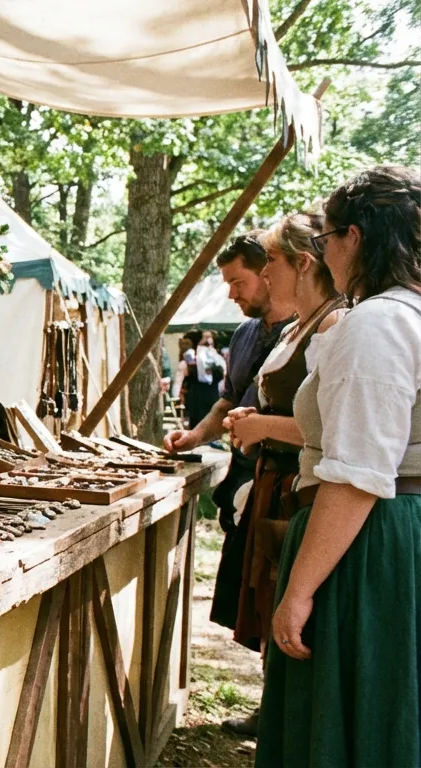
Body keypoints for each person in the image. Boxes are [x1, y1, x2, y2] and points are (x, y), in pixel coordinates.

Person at [257, 166, 421, 766]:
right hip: (391, 535)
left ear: (355, 237)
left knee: (360, 719)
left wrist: (299, 590)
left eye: (326, 238)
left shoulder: (379, 323)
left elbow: (358, 473)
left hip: (370, 545)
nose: (323, 252)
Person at [215, 212, 347, 735]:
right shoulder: (300, 325)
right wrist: (254, 420)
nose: (264, 274)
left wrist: (265, 423)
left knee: (295, 607)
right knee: (272, 600)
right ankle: (279, 712)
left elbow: (335, 426)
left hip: (304, 488)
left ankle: (296, 722)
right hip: (275, 480)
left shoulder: (338, 323)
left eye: (270, 261)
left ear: (304, 262)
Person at [161, 233, 297, 697]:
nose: (231, 294)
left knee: (286, 595)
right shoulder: (242, 335)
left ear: (268, 272)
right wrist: (195, 436)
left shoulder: (310, 327)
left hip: (296, 485)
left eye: (238, 282)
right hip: (251, 478)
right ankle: (269, 704)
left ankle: (280, 708)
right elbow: (227, 402)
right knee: (258, 595)